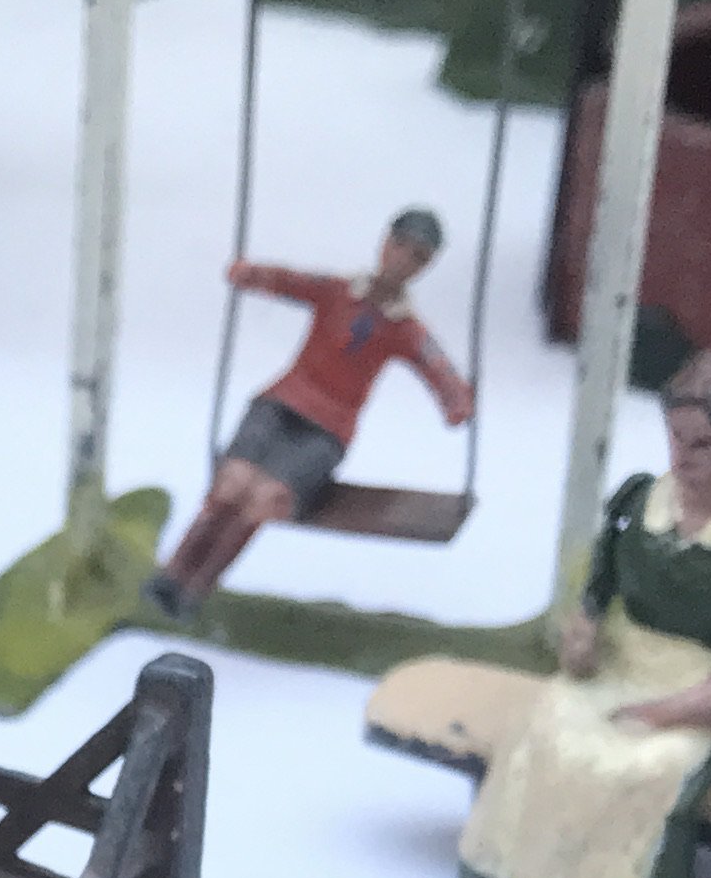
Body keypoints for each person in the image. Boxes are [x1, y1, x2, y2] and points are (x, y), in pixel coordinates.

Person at [452, 349, 711, 878]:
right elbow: (601, 582)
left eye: (705, 444)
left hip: (695, 688)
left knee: (635, 770)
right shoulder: (639, 502)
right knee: (543, 735)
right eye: (676, 437)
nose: (683, 456)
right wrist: (585, 629)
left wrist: (672, 710)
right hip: (614, 666)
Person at [148, 209, 472, 610]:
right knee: (232, 483)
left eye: (418, 257)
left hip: (327, 431)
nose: (403, 260)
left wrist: (457, 401)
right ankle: (171, 576)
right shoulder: (336, 292)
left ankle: (196, 589)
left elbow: (437, 367)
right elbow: (290, 281)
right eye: (400, 246)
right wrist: (251, 275)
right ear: (385, 243)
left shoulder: (406, 330)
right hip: (281, 403)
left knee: (266, 498)